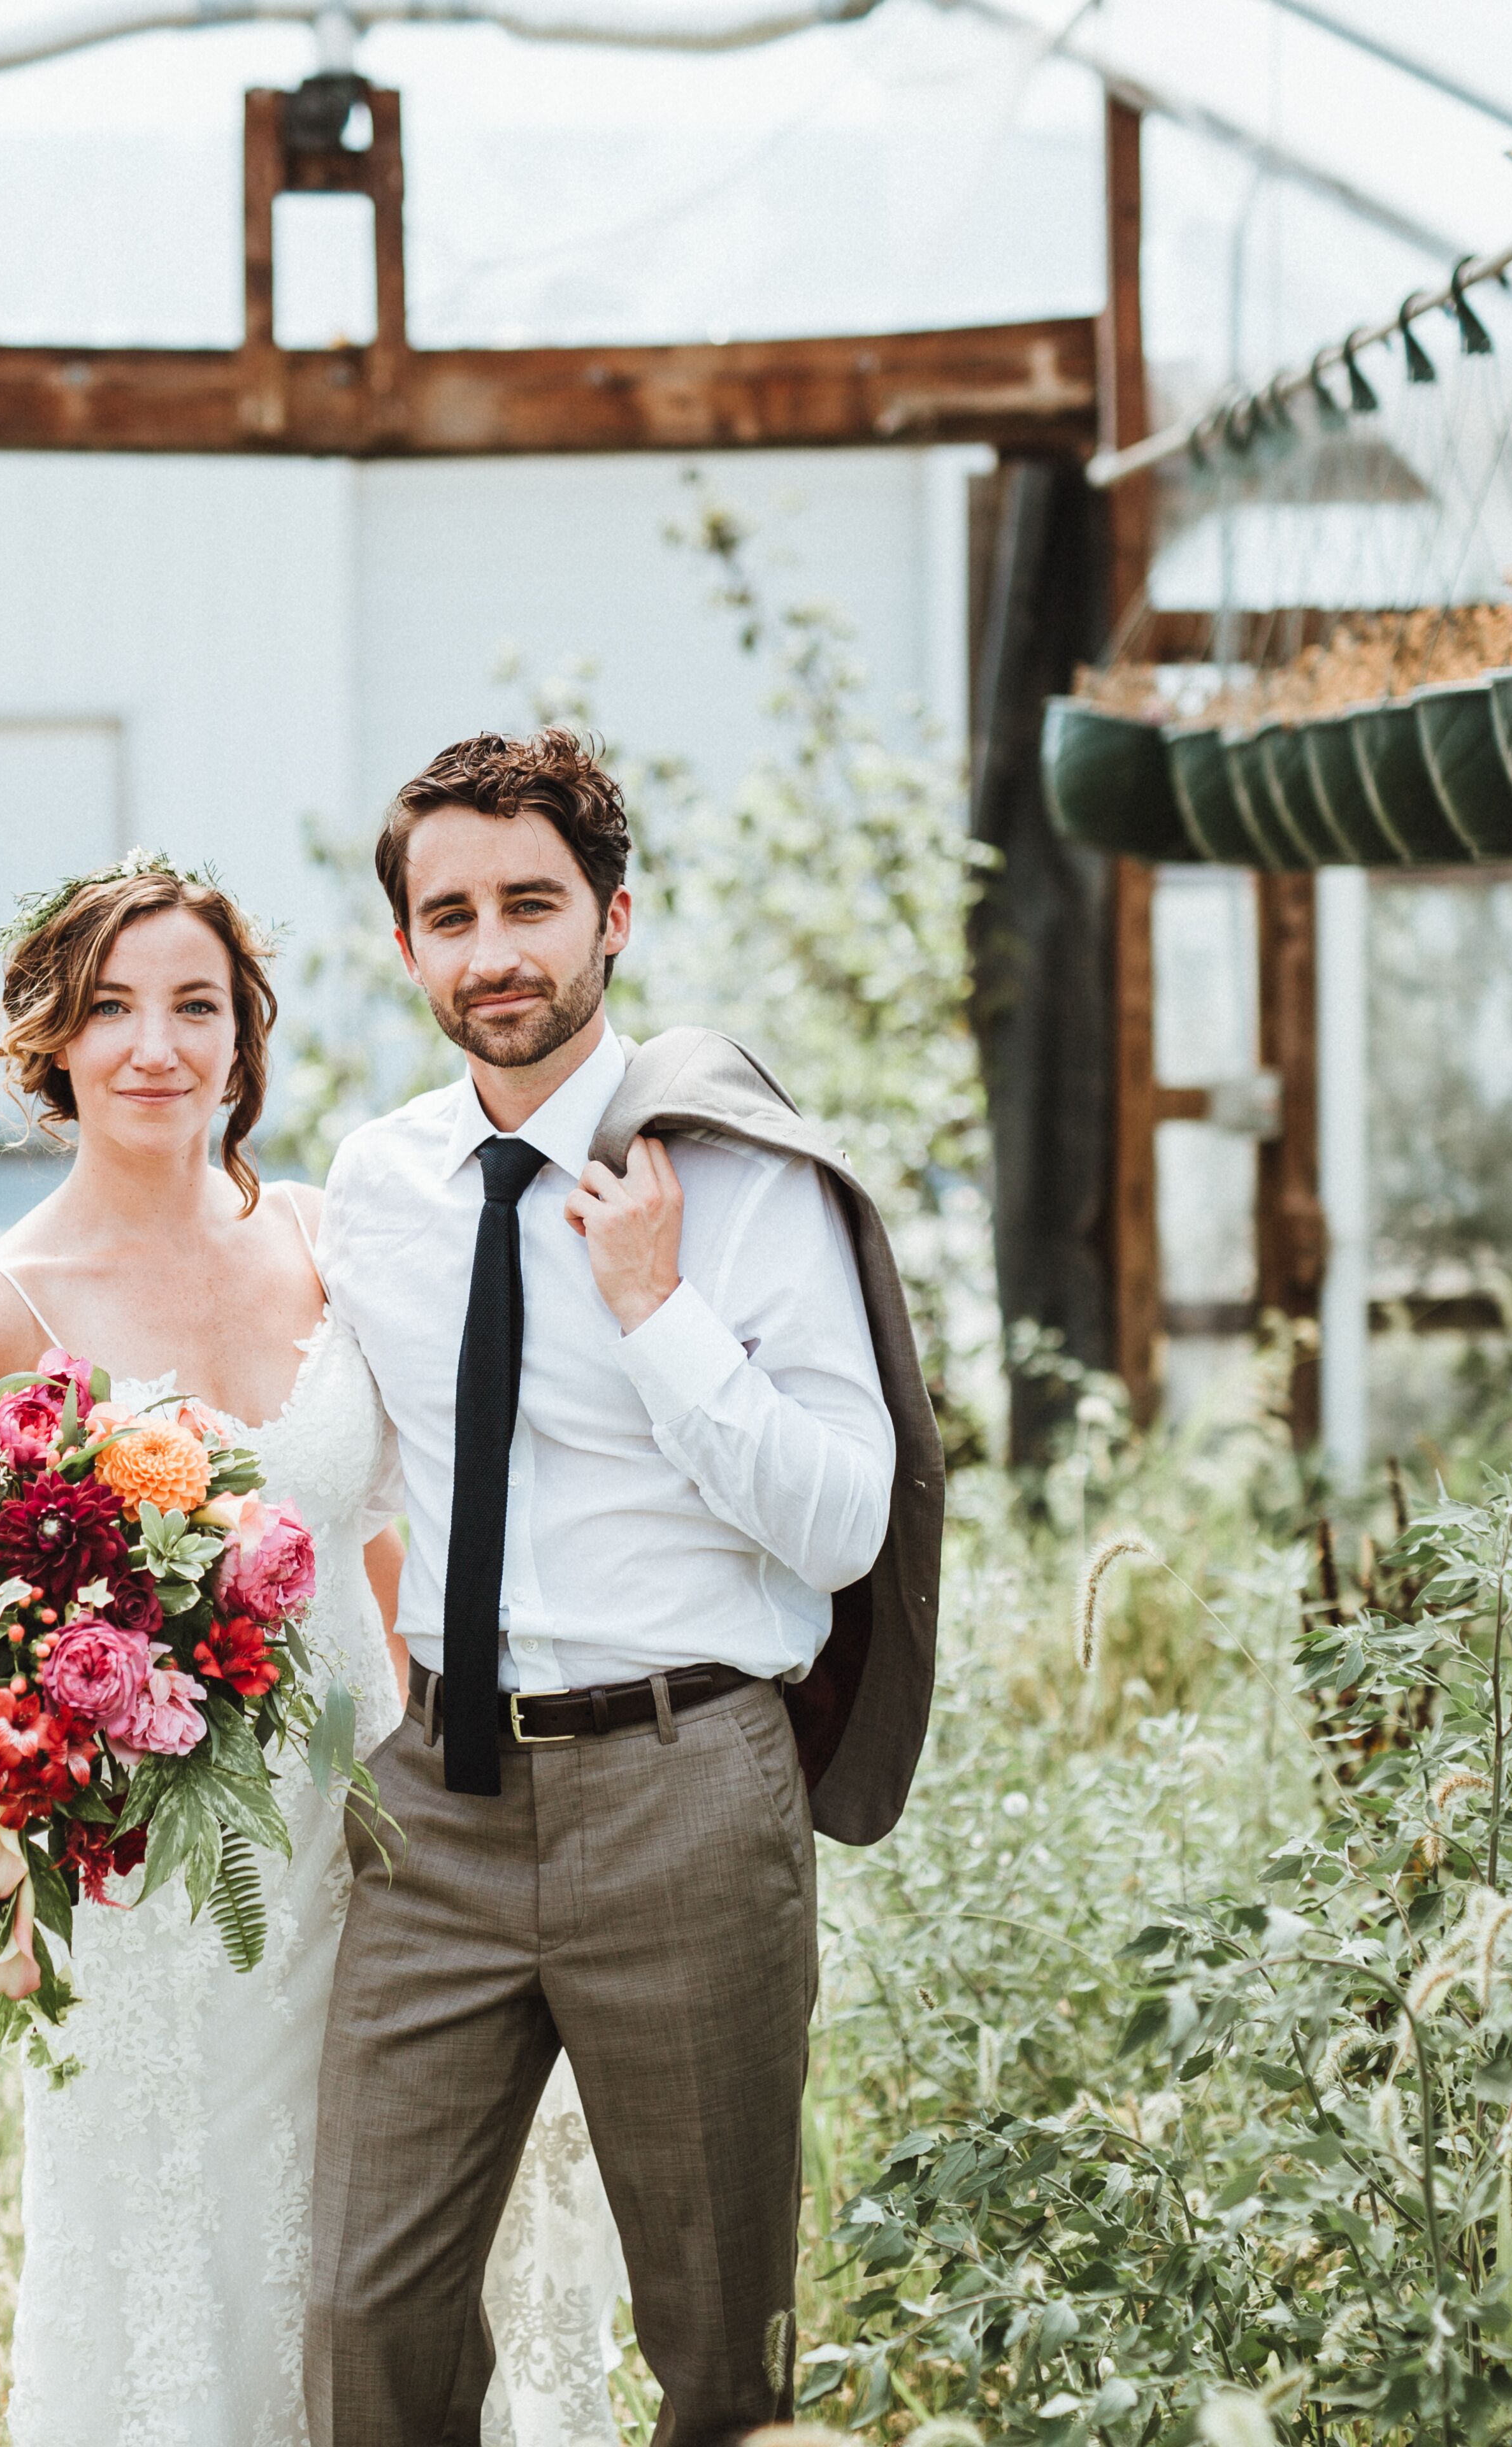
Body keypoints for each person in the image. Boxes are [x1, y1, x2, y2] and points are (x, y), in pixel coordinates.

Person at [0, 857, 625, 2447]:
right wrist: (10, 1860)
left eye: (196, 1007)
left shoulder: (320, 1235)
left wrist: (473, 1781)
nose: (157, 1047)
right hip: (166, 1891)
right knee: (202, 2258)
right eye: (113, 1010)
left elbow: (385, 1546)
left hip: (389, 1840)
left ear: (246, 1040)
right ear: (53, 1042)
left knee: (422, 2252)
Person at [309, 729, 947, 2447]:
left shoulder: (739, 1177)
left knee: (720, 2343)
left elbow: (840, 1523)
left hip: (680, 1795)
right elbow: (318, 1457)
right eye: (451, 916)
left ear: (615, 920)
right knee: (367, 2313)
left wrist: (656, 1307)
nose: (493, 949)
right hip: (433, 1805)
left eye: (532, 902)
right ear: (406, 952)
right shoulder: (374, 1190)